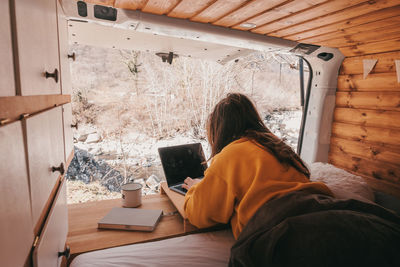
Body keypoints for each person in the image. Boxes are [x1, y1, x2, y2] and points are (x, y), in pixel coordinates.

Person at [182, 93, 332, 239]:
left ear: (218, 130)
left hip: (282, 230)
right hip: (324, 211)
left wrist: (196, 188)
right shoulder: (278, 146)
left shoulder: (228, 156)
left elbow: (199, 215)